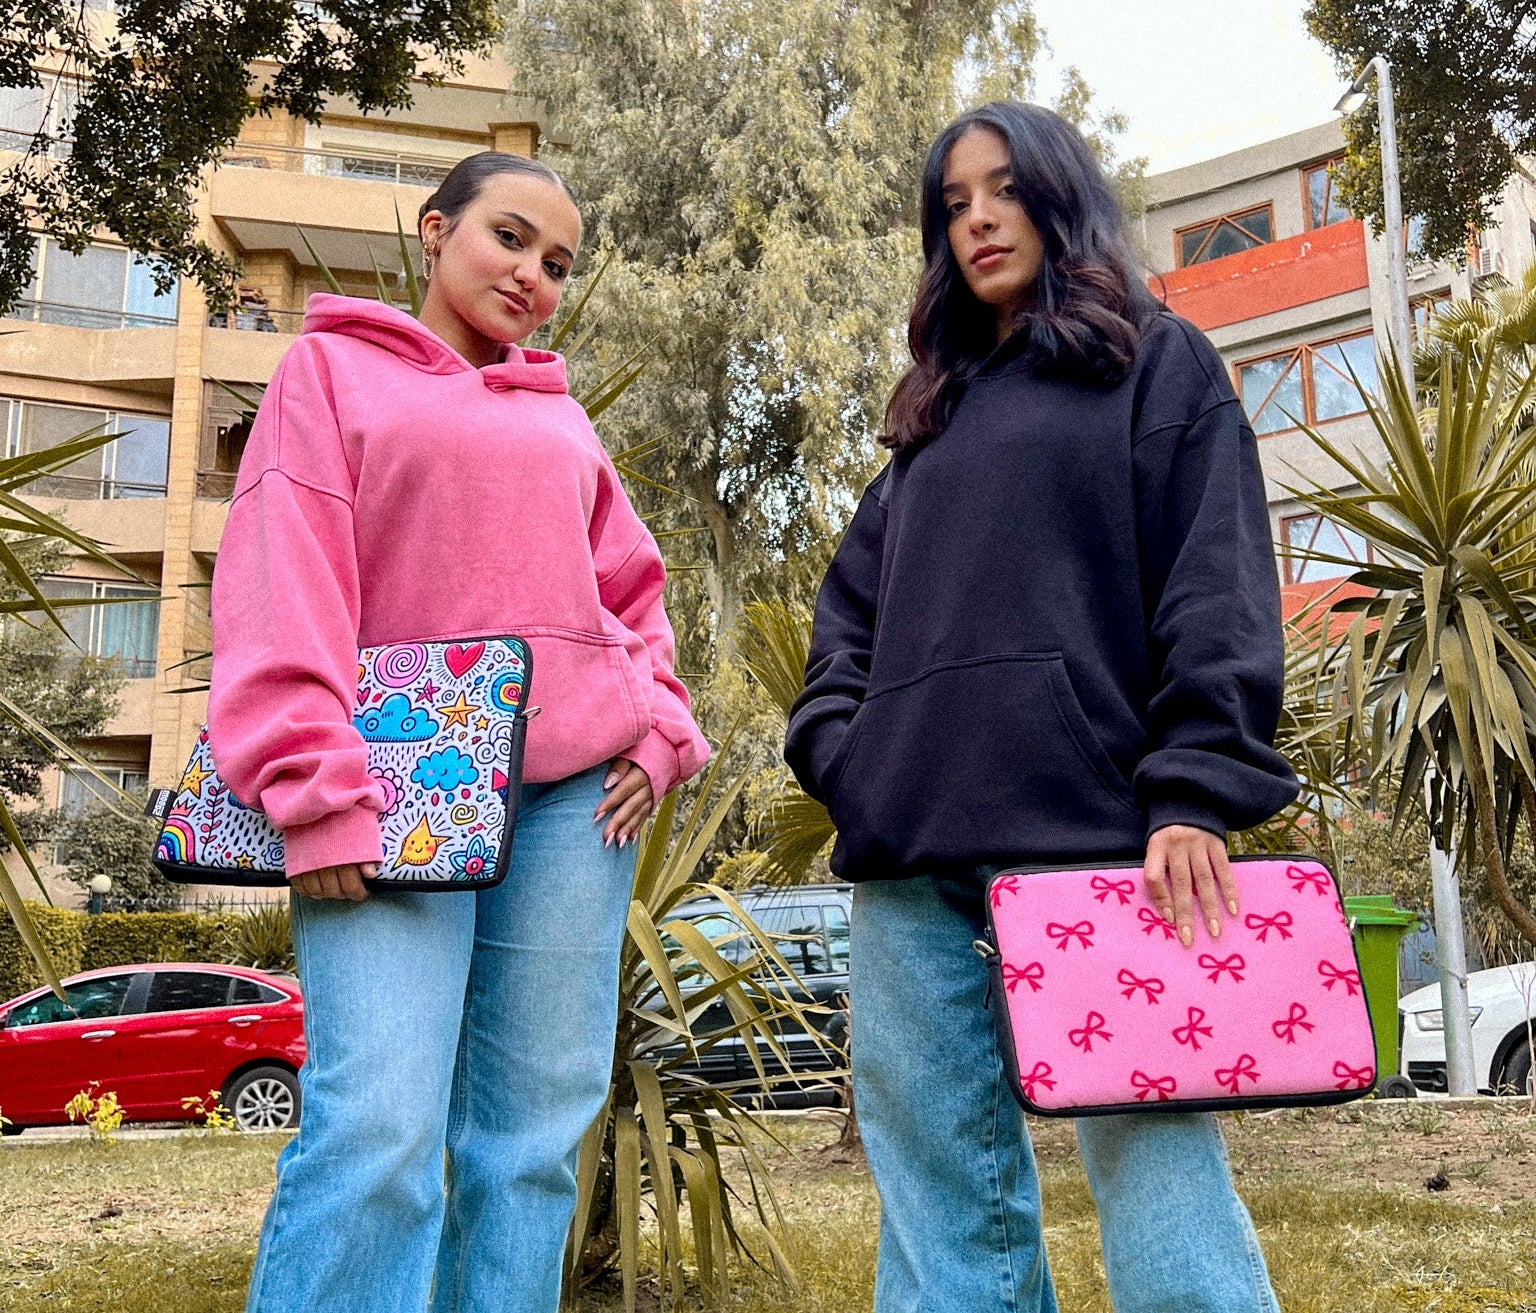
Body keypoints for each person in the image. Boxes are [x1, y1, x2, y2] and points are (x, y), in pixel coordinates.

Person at [785, 102, 1299, 1313]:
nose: (977, 217)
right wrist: (848, 756)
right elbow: (845, 622)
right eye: (953, 202)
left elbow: (1217, 582)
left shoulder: (1155, 363)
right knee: (939, 1202)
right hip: (911, 859)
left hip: (1099, 844)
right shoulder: (930, 419)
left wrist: (1193, 790)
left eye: (1003, 188)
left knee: (1156, 1167)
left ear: (1058, 199)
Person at [208, 151, 709, 1313]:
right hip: (391, 792)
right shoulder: (328, 371)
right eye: (510, 237)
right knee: (377, 1124)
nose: (533, 273)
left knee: (531, 1143)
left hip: (573, 803)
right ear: (435, 232)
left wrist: (657, 731)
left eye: (557, 262)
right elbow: (287, 581)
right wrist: (314, 787)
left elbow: (634, 595)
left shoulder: (562, 417)